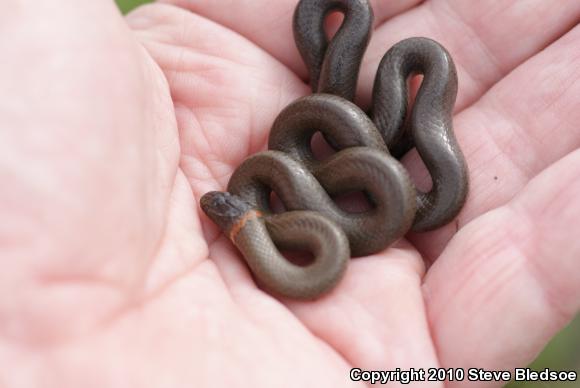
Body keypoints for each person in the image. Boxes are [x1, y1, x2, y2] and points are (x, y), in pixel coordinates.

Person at [1, 0, 579, 386]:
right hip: (345, 177)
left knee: (385, 122)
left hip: (345, 161)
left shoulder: (282, 176)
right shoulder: (299, 209)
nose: (221, 204)